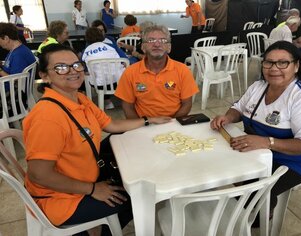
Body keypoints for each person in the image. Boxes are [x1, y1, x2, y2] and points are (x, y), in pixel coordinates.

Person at [23, 44, 171, 235]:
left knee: (129, 165)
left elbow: (112, 126)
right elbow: (39, 175)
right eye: (61, 67)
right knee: (143, 195)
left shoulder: (79, 99)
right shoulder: (48, 118)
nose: (73, 71)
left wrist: (148, 120)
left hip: (83, 176)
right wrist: (92, 189)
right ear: (45, 76)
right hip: (59, 198)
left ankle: (102, 226)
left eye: (77, 65)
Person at [210, 41, 301, 213]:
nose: (274, 68)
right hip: (260, 152)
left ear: (296, 66)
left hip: (293, 161)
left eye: (283, 63)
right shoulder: (258, 86)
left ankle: (258, 216)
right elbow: (238, 108)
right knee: (216, 164)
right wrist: (227, 117)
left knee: (254, 196)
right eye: (269, 62)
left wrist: (267, 142)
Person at [115, 24, 199, 118]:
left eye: (163, 40)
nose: (157, 44)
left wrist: (172, 125)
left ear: (169, 47)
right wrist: (140, 126)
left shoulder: (183, 70)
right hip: (143, 124)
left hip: (174, 124)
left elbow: (187, 104)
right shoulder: (130, 72)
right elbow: (127, 106)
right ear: (143, 47)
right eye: (151, 40)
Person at [82, 27, 130, 109]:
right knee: (115, 73)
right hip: (118, 82)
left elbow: (85, 69)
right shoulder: (111, 47)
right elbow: (124, 59)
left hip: (99, 85)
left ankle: (107, 102)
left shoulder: (85, 51)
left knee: (96, 76)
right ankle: (126, 100)